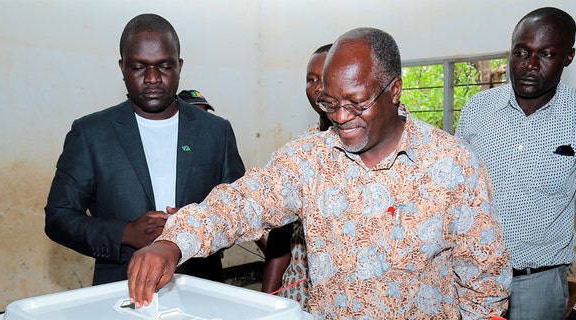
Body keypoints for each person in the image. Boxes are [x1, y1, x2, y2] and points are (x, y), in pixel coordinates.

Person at [128, 27, 511, 319]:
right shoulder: (309, 160)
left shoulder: (452, 165)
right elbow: (243, 202)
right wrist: (174, 242)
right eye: (330, 102)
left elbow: (483, 278)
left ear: (394, 90)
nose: (341, 118)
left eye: (356, 104)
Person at [44, 13, 245, 285]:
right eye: (139, 67)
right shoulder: (91, 133)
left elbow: (240, 212)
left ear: (179, 66)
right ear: (122, 67)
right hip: (119, 290)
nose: (152, 78)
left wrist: (196, 227)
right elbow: (59, 218)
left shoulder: (215, 131)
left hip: (200, 285)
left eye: (164, 66)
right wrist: (125, 232)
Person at [455, 7, 576, 320]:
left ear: (568, 57)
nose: (529, 65)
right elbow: (453, 195)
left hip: (539, 287)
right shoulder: (478, 109)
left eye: (547, 54)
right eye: (521, 52)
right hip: (469, 280)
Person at [261, 43, 332, 310]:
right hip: (297, 293)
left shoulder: (368, 150)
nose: (317, 88)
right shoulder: (299, 150)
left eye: (325, 78)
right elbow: (281, 232)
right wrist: (267, 297)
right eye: (310, 79)